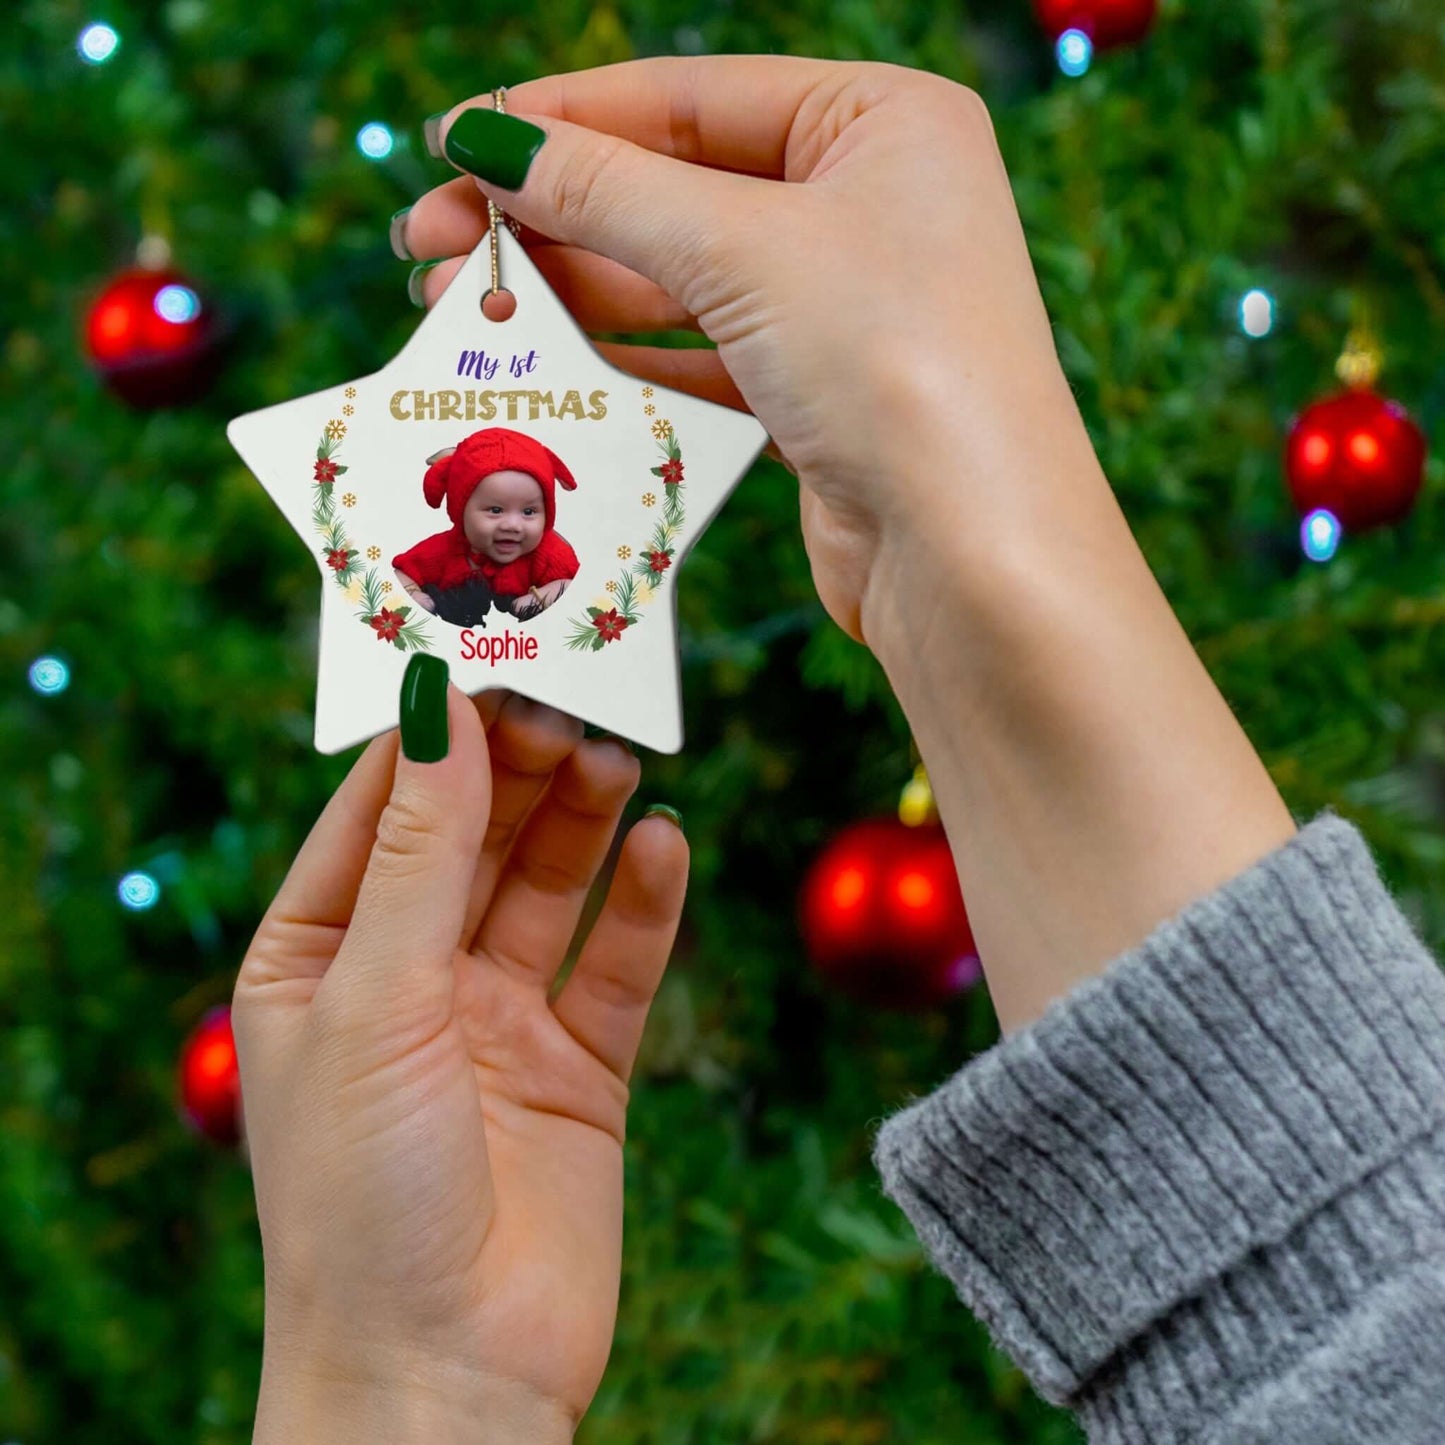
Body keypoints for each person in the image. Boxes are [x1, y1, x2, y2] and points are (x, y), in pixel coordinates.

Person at [233, 56, 1445, 1444]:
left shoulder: (573, 555)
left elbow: (1367, 1338)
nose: (508, 533)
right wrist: (415, 1386)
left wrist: (394, 1389)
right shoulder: (439, 567)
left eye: (527, 508)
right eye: (487, 510)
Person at [392, 426, 580, 626]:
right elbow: (401, 575)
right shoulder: (444, 550)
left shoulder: (549, 553)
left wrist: (539, 598)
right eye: (496, 510)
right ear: (461, 511)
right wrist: (415, 596)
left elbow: (574, 584)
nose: (512, 525)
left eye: (528, 512)